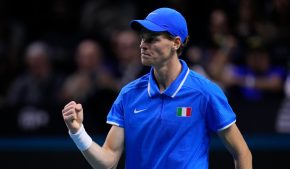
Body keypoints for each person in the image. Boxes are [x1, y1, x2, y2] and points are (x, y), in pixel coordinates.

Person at [62, 7, 252, 169]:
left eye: (152, 39)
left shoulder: (205, 92)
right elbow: (108, 161)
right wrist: (78, 132)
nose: (143, 45)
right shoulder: (129, 95)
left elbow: (242, 153)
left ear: (176, 43)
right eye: (143, 39)